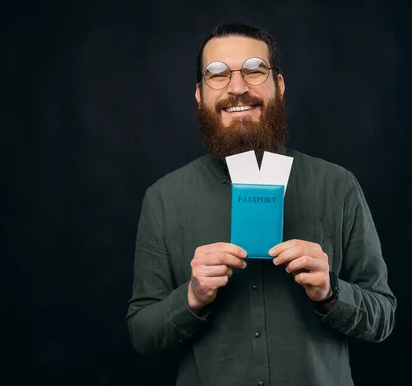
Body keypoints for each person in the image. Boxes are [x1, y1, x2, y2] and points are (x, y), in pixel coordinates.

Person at [126, 22, 396, 386]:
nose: (237, 88)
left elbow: (383, 317)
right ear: (199, 94)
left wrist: (331, 292)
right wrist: (191, 296)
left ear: (279, 86)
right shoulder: (163, 198)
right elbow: (142, 331)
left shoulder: (338, 186)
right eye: (217, 74)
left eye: (254, 70)